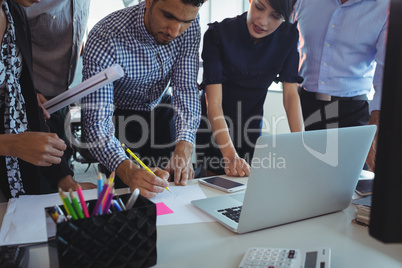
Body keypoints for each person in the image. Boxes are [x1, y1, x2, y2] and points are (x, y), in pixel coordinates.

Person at [81, 0, 205, 198]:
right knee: (129, 194)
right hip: (120, 117)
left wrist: (185, 144)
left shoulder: (189, 24)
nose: (174, 31)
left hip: (162, 108)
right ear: (148, 2)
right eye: (168, 16)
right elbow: (97, 124)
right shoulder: (106, 36)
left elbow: (186, 88)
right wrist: (128, 171)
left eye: (185, 21)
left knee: (169, 192)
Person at [196, 0, 304, 177]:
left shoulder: (288, 36)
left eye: (275, 16)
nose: (263, 21)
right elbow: (213, 103)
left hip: (252, 126)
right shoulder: (218, 34)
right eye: (259, 8)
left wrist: (301, 145)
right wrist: (230, 155)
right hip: (216, 125)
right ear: (250, 0)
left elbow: (291, 96)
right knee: (215, 186)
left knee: (246, 190)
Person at [0, 0, 94, 200]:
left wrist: (64, 179)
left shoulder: (13, 11)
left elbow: (23, 99)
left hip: (15, 177)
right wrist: (9, 144)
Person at [293, 0, 390, 171]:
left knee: (351, 189)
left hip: (352, 113)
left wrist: (375, 128)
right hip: (304, 108)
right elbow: (286, 45)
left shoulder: (385, 6)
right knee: (303, 180)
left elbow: (385, 73)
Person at [24, 0, 91, 165]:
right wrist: (24, 89)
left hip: (64, 98)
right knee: (37, 179)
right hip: (30, 100)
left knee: (64, 170)